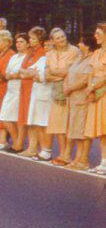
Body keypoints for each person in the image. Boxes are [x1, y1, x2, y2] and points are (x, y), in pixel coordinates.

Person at [45, 28, 80, 164]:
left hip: (69, 91)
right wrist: (56, 74)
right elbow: (47, 75)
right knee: (58, 124)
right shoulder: (50, 54)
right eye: (58, 38)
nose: (61, 39)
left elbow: (69, 71)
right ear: (53, 41)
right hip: (56, 92)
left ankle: (68, 155)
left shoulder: (74, 51)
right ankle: (62, 153)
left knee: (68, 124)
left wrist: (54, 73)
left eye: (63, 36)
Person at [62, 34, 96, 170]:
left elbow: (85, 80)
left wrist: (70, 88)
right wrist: (66, 86)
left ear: (87, 45)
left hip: (82, 98)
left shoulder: (91, 59)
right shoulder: (79, 58)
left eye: (81, 43)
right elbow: (69, 74)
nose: (78, 45)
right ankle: (77, 158)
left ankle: (83, 159)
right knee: (74, 128)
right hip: (72, 98)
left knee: (81, 129)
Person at [19, 27, 51, 159]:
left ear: (40, 40)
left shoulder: (42, 52)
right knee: (29, 118)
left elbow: (32, 72)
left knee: (35, 118)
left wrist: (26, 73)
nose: (30, 40)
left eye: (33, 38)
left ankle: (35, 147)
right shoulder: (31, 51)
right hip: (26, 86)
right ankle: (31, 147)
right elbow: (22, 69)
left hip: (34, 86)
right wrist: (26, 73)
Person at [0, 33, 30, 153]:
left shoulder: (28, 57)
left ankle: (19, 144)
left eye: (22, 42)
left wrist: (14, 75)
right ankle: (16, 140)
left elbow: (24, 73)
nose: (18, 44)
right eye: (17, 42)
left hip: (21, 89)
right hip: (11, 89)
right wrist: (11, 75)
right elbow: (7, 73)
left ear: (28, 44)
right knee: (5, 117)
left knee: (19, 118)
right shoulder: (14, 57)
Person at [84, 22, 106, 175]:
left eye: (99, 33)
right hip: (95, 92)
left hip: (104, 92)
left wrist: (93, 87)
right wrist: (89, 88)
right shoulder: (97, 52)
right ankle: (103, 162)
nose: (95, 36)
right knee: (102, 131)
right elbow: (91, 72)